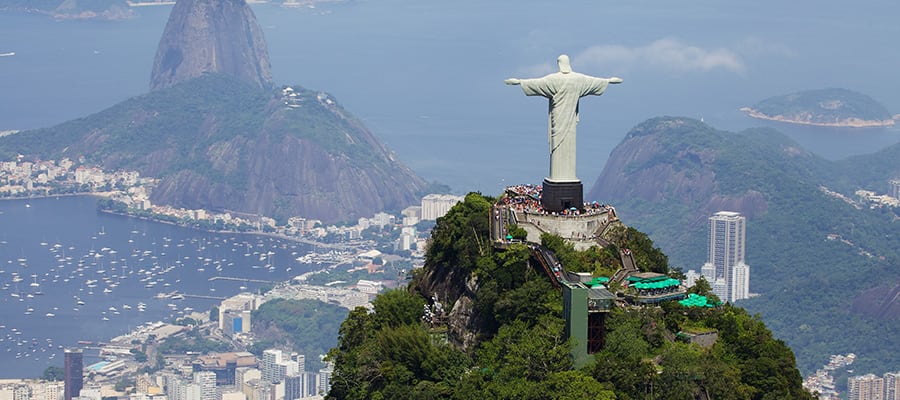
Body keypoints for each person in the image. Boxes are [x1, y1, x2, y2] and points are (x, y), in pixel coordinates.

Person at [506, 54, 622, 182]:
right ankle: (563, 177)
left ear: (559, 64)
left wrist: (520, 82)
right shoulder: (578, 79)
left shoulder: (553, 80)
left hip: (558, 119)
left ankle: (561, 177)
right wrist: (608, 81)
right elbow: (594, 81)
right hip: (570, 120)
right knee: (566, 147)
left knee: (560, 146)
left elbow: (537, 83)